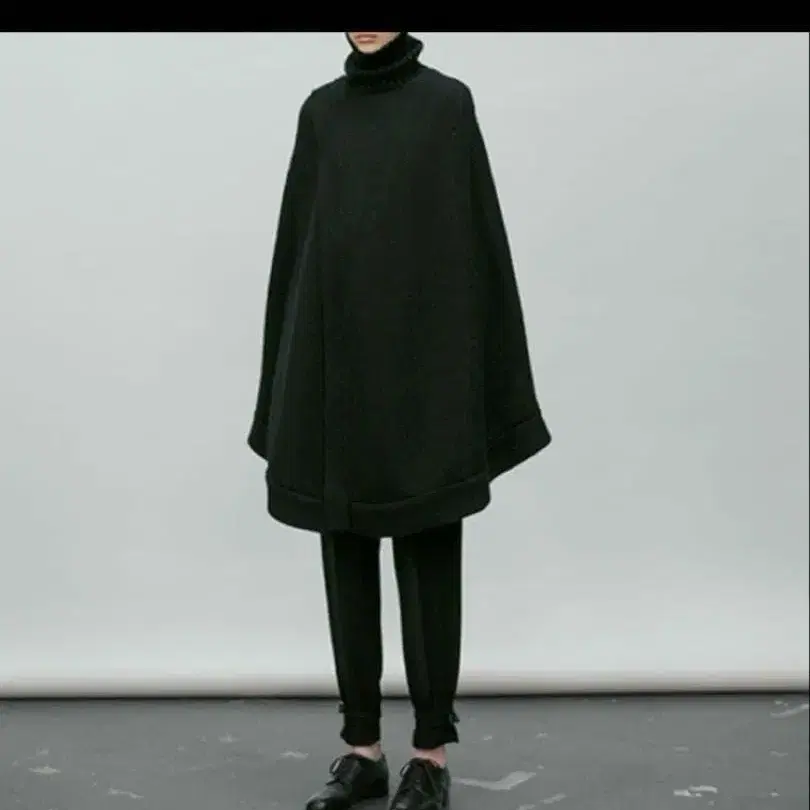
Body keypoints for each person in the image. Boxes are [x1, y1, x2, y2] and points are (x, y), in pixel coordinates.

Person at [247, 31, 551, 810]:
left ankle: (430, 756)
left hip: (423, 372)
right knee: (345, 550)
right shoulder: (322, 113)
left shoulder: (447, 104)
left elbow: (475, 244)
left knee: (428, 552)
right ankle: (363, 751)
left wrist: (472, 381)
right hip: (338, 369)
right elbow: (298, 252)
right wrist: (288, 382)